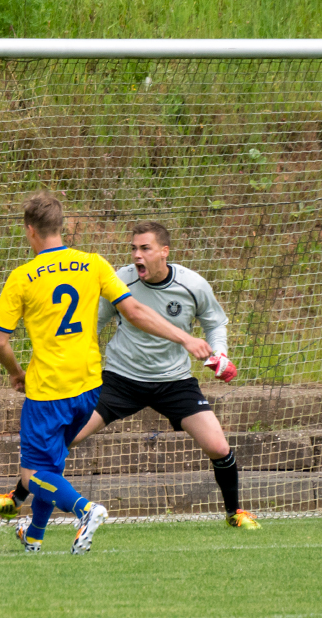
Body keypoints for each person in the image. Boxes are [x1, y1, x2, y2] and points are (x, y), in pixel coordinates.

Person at [0, 193, 212, 554]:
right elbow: (134, 310)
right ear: (63, 227)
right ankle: (34, 535)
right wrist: (185, 337)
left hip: (48, 389)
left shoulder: (23, 277)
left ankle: (85, 510)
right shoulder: (92, 264)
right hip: (89, 386)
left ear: (30, 231)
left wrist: (15, 372)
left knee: (33, 474)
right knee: (51, 466)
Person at [63, 221, 258, 528]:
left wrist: (220, 354)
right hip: (120, 379)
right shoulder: (119, 282)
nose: (136, 255)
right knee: (66, 437)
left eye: (145, 248)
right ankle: (19, 496)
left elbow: (215, 321)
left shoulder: (192, 284)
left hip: (175, 382)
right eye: (133, 248)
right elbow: (92, 326)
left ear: (164, 252)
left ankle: (235, 514)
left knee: (219, 447)